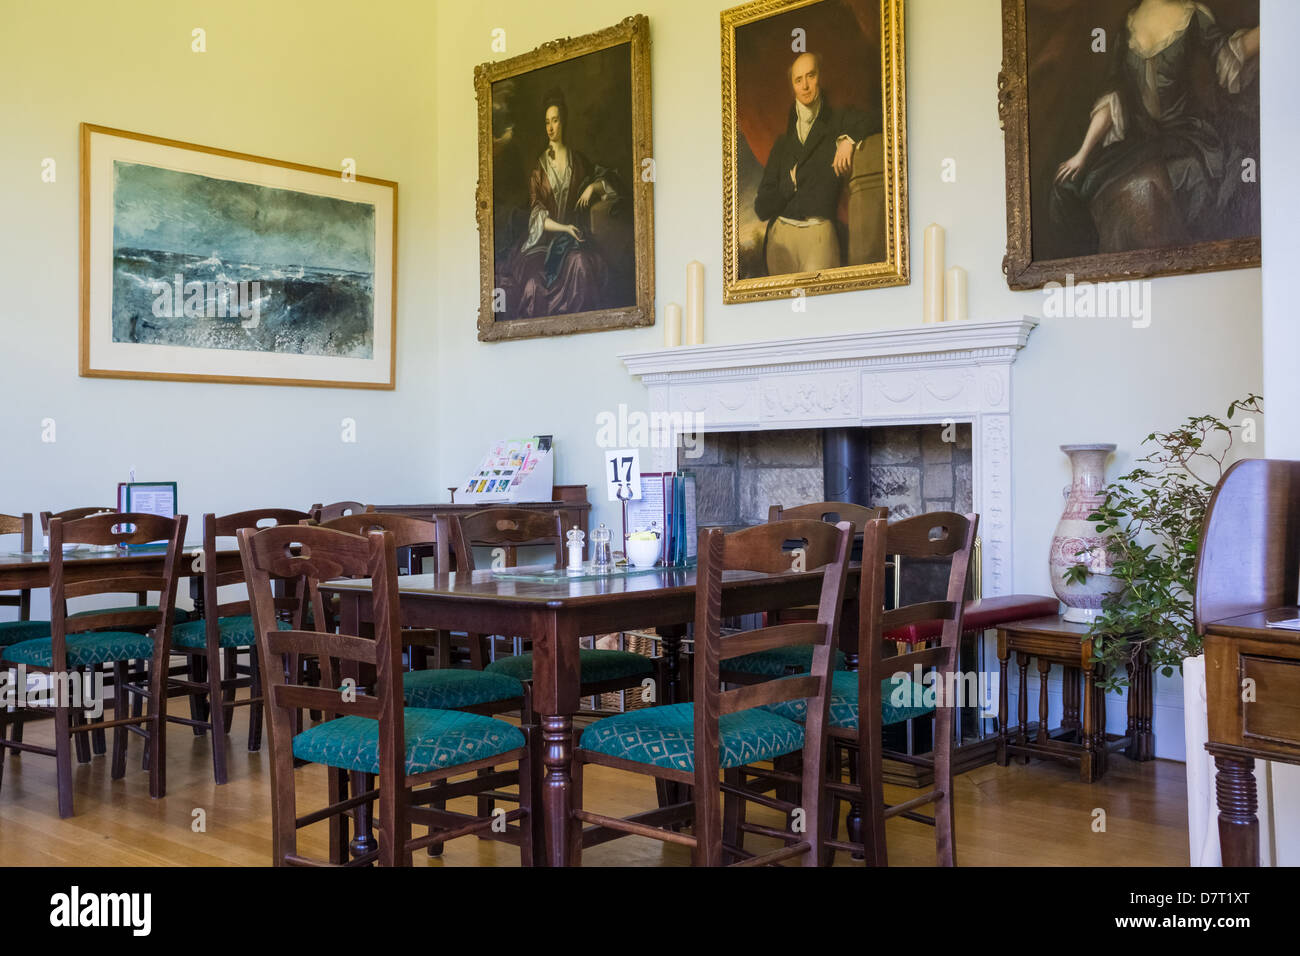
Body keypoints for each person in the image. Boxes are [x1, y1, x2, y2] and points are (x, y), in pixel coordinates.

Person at [1051, 0, 1260, 252]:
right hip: (1140, 143)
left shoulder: (1193, 16)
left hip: (1187, 137)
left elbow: (1227, 54)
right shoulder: (1128, 23)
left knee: (1152, 184)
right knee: (1071, 186)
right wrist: (1082, 154)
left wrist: (1271, 26)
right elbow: (1113, 95)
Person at [754, 51, 880, 275]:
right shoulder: (782, 144)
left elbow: (877, 118)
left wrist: (848, 139)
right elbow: (762, 208)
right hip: (780, 236)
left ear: (820, 77)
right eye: (798, 80)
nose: (805, 86)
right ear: (793, 87)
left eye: (810, 76)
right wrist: (788, 187)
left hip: (819, 234)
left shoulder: (839, 122)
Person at [503, 90, 619, 319]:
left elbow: (611, 182)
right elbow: (538, 217)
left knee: (582, 265)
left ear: (563, 121)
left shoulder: (579, 162)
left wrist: (592, 188)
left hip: (572, 240)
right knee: (534, 286)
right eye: (547, 122)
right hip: (543, 244)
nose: (550, 127)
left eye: (555, 120)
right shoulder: (539, 170)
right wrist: (564, 227)